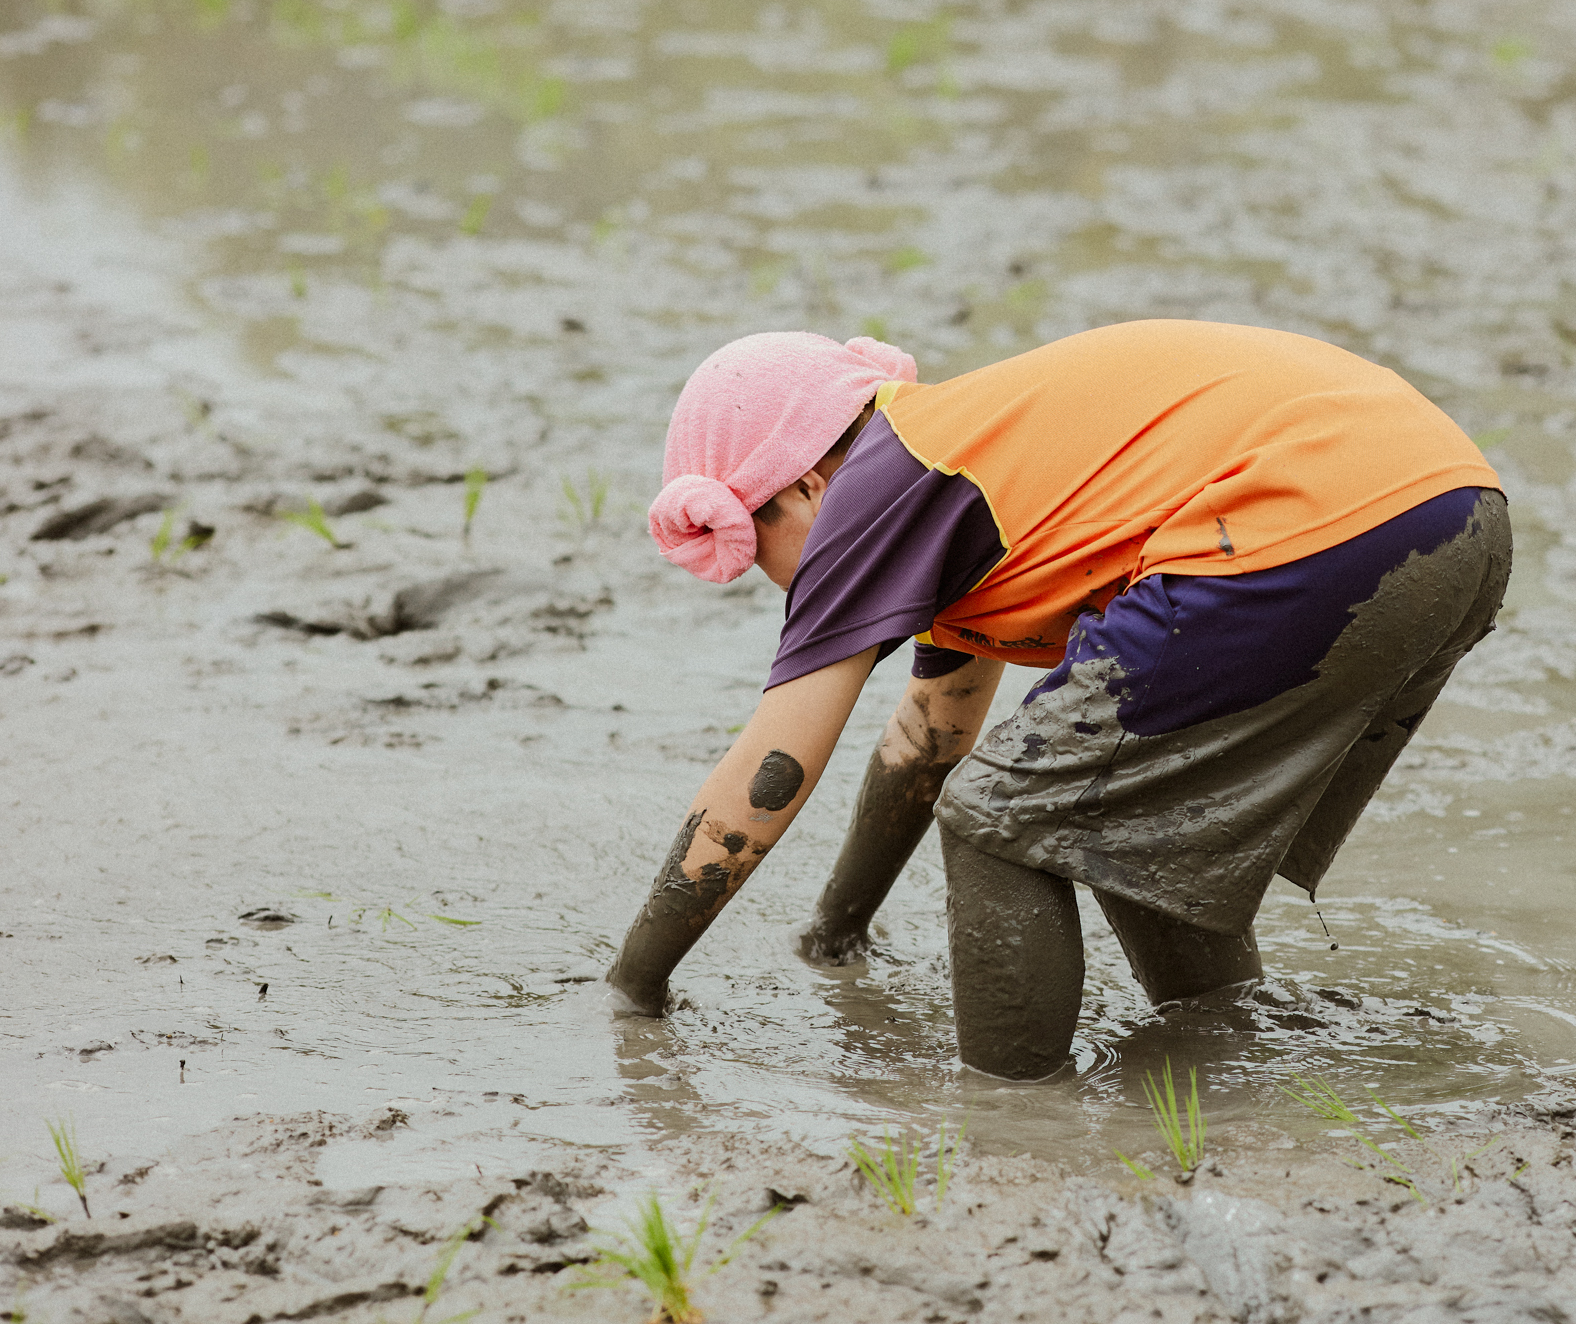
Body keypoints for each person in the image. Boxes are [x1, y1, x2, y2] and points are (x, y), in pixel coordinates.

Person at [606, 319, 1510, 1081]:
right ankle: (1223, 1055)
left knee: (998, 815)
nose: (776, 585)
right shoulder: (960, 479)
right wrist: (836, 930)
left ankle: (1015, 1122)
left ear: (802, 484)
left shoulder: (874, 493)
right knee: (1122, 807)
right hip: (1448, 507)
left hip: (1316, 515)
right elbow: (929, 737)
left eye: (760, 552)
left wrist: (632, 986)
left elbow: (772, 769)